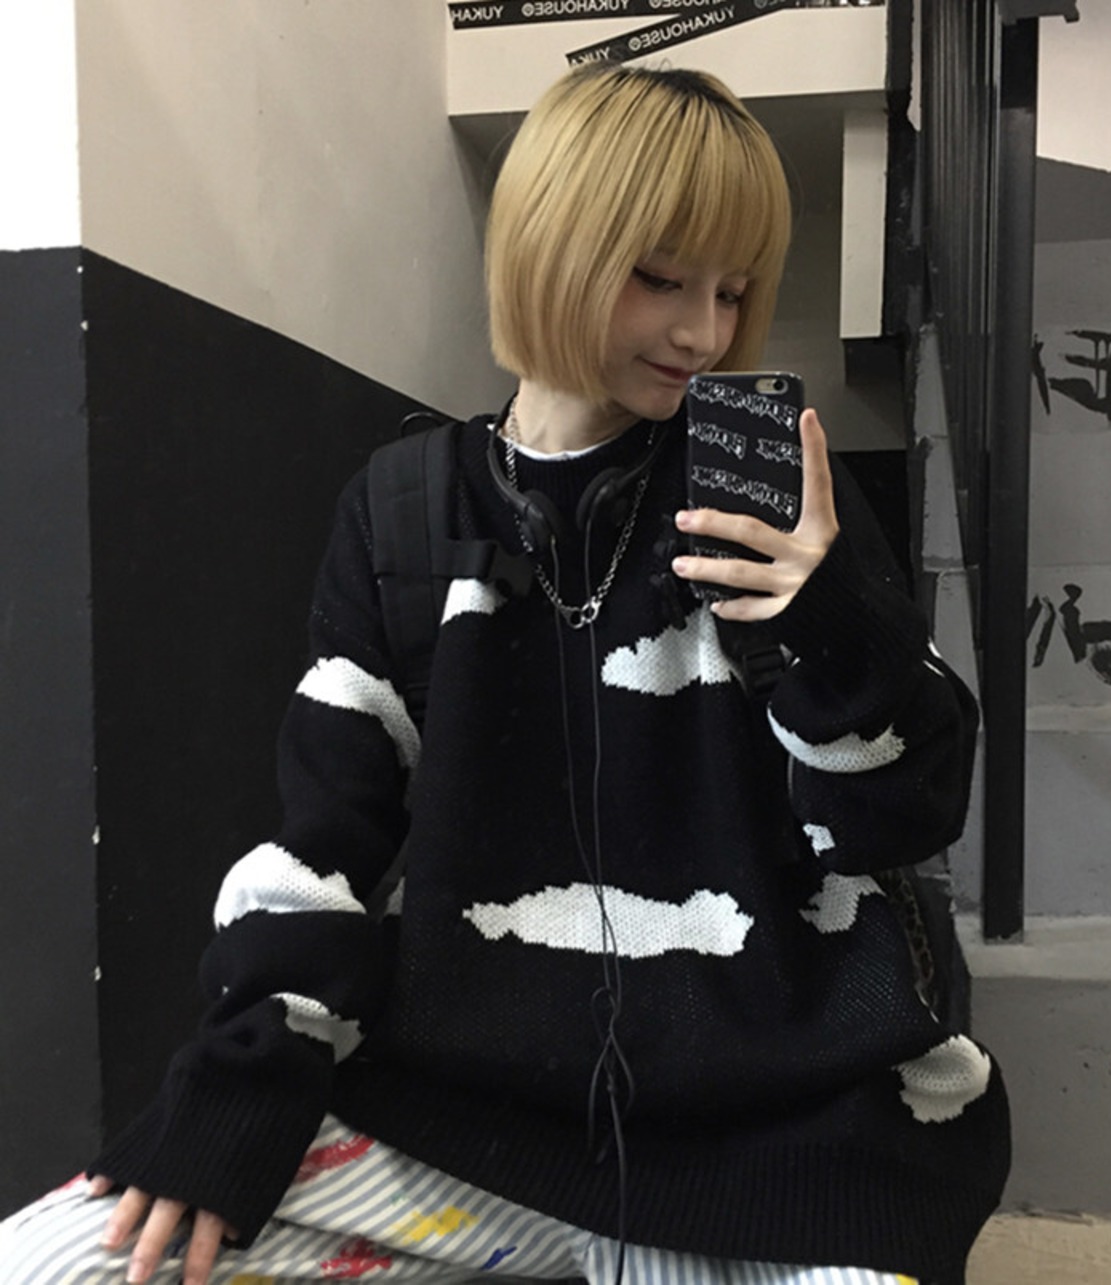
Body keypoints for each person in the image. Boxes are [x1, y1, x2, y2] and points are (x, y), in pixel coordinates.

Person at [0, 62, 1008, 1285]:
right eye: (659, 277)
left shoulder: (773, 497)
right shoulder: (403, 510)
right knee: (56, 1264)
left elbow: (901, 814)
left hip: (785, 1132)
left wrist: (831, 618)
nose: (702, 333)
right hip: (463, 1124)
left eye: (733, 291)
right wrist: (231, 1092)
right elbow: (329, 842)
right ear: (549, 248)